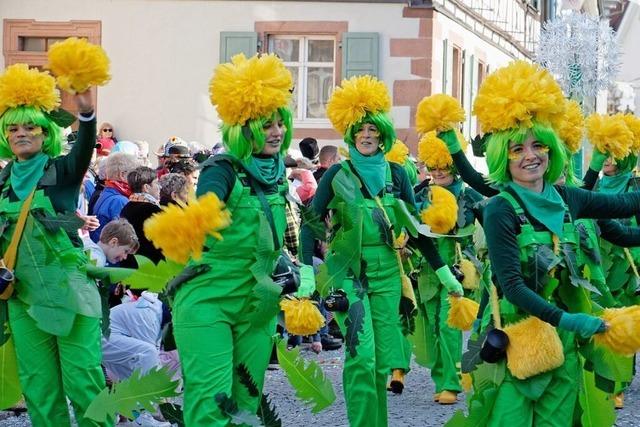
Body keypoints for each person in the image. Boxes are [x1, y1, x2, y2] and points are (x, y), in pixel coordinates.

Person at [451, 61, 640, 426]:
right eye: (517, 149)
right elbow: (512, 285)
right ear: (502, 155)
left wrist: (569, 325)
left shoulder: (570, 197)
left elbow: (627, 204)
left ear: (552, 150)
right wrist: (570, 320)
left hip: (564, 342)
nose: (530, 156)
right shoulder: (500, 209)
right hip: (515, 337)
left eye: (538, 145)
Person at [300, 75, 463, 427]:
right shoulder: (336, 174)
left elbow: (416, 230)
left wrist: (444, 271)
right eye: (361, 129)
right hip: (349, 275)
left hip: (389, 272)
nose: (368, 135)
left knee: (382, 358)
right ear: (351, 132)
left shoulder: (398, 173)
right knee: (361, 357)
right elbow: (309, 221)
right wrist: (306, 271)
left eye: (374, 129)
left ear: (384, 133)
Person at [171, 53, 314, 426]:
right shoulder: (222, 168)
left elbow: (286, 234)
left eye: (279, 123)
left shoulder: (278, 171)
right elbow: (209, 201)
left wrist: (302, 273)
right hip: (208, 301)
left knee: (246, 407)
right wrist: (202, 214)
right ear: (242, 127)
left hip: (258, 304)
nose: (276, 132)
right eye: (265, 125)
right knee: (212, 404)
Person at [0, 63, 110, 426]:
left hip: (71, 292)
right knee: (39, 389)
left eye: (30, 126)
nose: (21, 134)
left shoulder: (62, 171)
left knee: (84, 384)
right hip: (23, 295)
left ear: (45, 131)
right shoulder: (1, 181)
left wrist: (87, 111)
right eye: (12, 127)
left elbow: (83, 149)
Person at [90, 151, 138, 241]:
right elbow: (125, 239)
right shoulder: (119, 201)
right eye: (134, 174)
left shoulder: (107, 192)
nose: (137, 179)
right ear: (123, 175)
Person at [119, 167, 163, 264]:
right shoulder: (152, 210)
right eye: (156, 183)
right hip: (149, 267)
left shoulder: (127, 207)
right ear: (146, 187)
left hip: (130, 264)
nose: (160, 187)